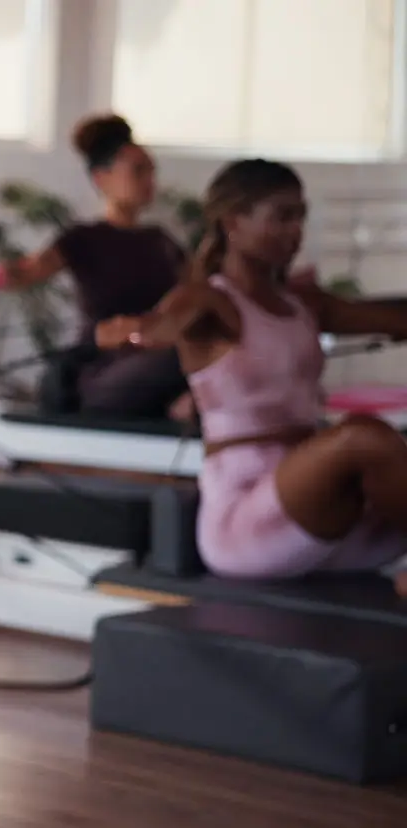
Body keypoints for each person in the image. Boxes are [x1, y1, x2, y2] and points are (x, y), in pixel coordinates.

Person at [97, 159, 407, 592]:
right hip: (247, 524)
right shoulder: (208, 300)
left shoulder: (305, 303)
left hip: (327, 518)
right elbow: (159, 328)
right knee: (362, 436)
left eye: (300, 216)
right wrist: (127, 331)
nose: (295, 231)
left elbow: (395, 319)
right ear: (232, 223)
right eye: (281, 216)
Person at [0, 113, 193, 422]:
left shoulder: (163, 241)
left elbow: (197, 291)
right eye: (138, 171)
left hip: (157, 361)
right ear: (101, 178)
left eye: (152, 171)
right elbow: (27, 270)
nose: (150, 182)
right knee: (175, 358)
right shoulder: (84, 239)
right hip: (102, 372)